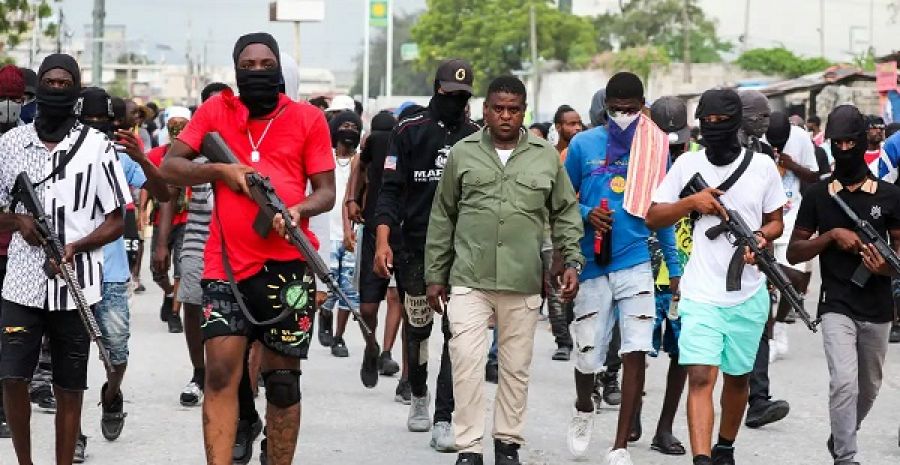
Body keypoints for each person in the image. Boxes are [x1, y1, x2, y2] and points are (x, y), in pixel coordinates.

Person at [159, 33, 334, 465]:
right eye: (248, 65)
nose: (257, 71)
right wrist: (220, 170)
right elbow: (171, 167)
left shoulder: (308, 118)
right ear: (236, 70)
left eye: (266, 64)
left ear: (279, 69)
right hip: (226, 267)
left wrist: (297, 210)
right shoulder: (215, 111)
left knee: (283, 383)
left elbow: (327, 191)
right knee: (220, 374)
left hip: (288, 267)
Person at [425, 75, 584, 465]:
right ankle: (469, 448)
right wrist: (435, 275)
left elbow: (565, 211)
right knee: (465, 360)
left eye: (514, 109)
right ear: (485, 110)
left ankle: (507, 444)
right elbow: (443, 215)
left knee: (515, 367)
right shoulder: (463, 153)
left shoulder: (544, 156)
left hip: (521, 279)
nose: (506, 116)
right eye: (498, 108)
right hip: (469, 277)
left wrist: (571, 260)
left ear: (523, 112)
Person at [0, 53, 129, 465]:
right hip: (22, 282)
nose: (56, 89)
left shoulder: (97, 147)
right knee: (12, 378)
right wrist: (18, 221)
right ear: (39, 87)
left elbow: (117, 220)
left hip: (77, 286)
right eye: (50, 82)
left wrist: (77, 245)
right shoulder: (11, 144)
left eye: (64, 83)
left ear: (75, 90)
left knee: (69, 386)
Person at [646, 89, 787, 465]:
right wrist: (691, 203)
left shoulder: (762, 167)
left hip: (747, 294)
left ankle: (724, 447)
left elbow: (776, 221)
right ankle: (702, 458)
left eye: (721, 122)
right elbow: (653, 216)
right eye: (706, 122)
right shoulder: (686, 165)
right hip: (701, 293)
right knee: (700, 377)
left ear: (736, 122)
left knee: (738, 378)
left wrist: (761, 237)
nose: (713, 128)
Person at [563, 72, 681, 465]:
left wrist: (674, 268)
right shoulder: (583, 144)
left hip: (636, 261)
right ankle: (584, 405)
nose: (623, 116)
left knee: (635, 349)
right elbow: (560, 202)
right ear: (605, 108)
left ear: (643, 106)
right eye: (616, 110)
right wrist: (586, 214)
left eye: (631, 110)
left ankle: (619, 446)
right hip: (593, 263)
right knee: (587, 354)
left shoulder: (656, 146)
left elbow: (662, 212)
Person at [372, 58, 480, 450]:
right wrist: (382, 241)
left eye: (463, 96)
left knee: (458, 332)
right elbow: (389, 192)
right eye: (451, 94)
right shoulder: (409, 130)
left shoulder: (476, 136)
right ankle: (419, 392)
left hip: (462, 251)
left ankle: (445, 416)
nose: (457, 102)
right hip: (414, 248)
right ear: (437, 89)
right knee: (418, 329)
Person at [786, 104, 899, 465]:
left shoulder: (889, 195)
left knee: (869, 388)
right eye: (838, 143)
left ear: (863, 140)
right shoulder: (819, 195)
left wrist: (885, 268)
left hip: (878, 305)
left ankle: (841, 435)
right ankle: (846, 457)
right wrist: (831, 236)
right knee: (844, 383)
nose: (844, 149)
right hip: (836, 302)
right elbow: (793, 252)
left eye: (851, 142)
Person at [73, 86, 171, 460]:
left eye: (102, 121)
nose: (95, 127)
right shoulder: (60, 155)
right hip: (71, 271)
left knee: (116, 354)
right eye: (88, 121)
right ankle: (74, 432)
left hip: (111, 274)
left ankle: (112, 394)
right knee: (72, 357)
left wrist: (142, 159)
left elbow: (164, 193)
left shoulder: (119, 156)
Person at [345, 109, 406, 399]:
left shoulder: (410, 145)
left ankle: (406, 375)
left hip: (406, 232)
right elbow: (358, 169)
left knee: (405, 304)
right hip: (372, 230)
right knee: (368, 308)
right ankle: (371, 346)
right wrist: (352, 199)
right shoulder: (372, 145)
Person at [643, 95, 692, 457]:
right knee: (635, 350)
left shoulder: (698, 163)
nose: (674, 152)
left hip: (685, 277)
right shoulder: (641, 163)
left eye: (679, 144)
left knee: (682, 355)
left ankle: (664, 428)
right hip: (644, 272)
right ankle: (631, 416)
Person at [177, 82, 230, 410]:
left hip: (234, 245)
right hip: (197, 241)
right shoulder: (191, 151)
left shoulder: (241, 147)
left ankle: (233, 376)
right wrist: (161, 244)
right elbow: (170, 189)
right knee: (193, 306)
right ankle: (199, 373)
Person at [764, 111, 819, 368]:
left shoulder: (800, 138)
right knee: (764, 280)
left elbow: (815, 176)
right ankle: (768, 337)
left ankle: (780, 324)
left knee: (795, 279)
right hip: (764, 218)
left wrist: (793, 166)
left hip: (792, 215)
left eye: (780, 142)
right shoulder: (758, 139)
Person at [319, 110, 363, 359]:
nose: (349, 131)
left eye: (354, 127)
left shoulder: (359, 161)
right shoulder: (324, 157)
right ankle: (325, 313)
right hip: (326, 233)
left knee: (348, 289)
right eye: (344, 126)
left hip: (351, 235)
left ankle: (339, 336)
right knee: (329, 285)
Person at [147, 107, 194, 334]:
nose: (177, 129)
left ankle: (175, 314)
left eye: (182, 124)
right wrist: (142, 211)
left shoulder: (197, 157)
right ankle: (168, 293)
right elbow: (147, 185)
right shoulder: (155, 155)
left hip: (187, 219)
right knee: (157, 270)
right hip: (161, 219)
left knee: (181, 269)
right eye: (173, 124)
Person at [547, 104, 584, 362]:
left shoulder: (583, 151)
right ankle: (563, 340)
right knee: (555, 285)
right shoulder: (549, 156)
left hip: (583, 226)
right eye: (571, 124)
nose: (577, 128)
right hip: (552, 228)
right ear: (559, 127)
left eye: (579, 123)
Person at [0, 64, 25, 439]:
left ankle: (5, 409)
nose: (7, 105)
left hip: (18, 252)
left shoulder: (27, 139)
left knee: (10, 333)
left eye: (15, 99)